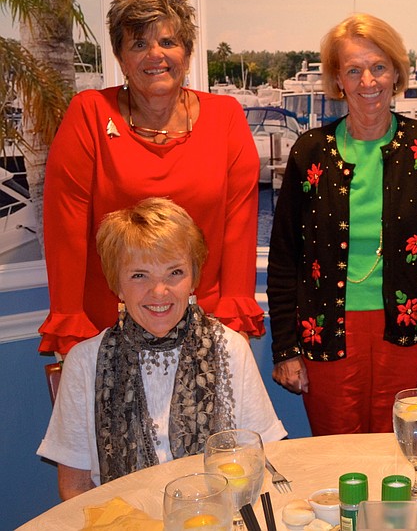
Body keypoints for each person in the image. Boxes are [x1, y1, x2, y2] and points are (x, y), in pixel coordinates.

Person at [267, 13, 417, 435]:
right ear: (338, 79)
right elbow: (285, 256)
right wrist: (285, 347)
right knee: (338, 462)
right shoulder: (310, 152)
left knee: (400, 461)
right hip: (326, 335)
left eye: (379, 67)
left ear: (395, 72)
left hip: (409, 334)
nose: (368, 82)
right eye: (354, 70)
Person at [39, 0, 263, 356]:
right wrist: (69, 322)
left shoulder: (225, 117)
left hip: (206, 328)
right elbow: (66, 228)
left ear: (187, 54)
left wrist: (233, 320)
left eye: (168, 41)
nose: (154, 54)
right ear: (122, 59)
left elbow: (239, 227)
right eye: (139, 43)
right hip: (107, 329)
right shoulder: (90, 113)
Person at [37, 198, 286, 500]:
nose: (159, 291)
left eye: (175, 273)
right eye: (139, 275)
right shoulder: (84, 362)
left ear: (193, 278)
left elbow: (261, 459)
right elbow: (75, 487)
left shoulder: (231, 349)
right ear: (117, 283)